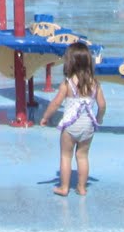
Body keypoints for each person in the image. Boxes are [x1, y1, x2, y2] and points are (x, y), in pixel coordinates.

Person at [37, 41, 105, 195]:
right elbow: (102, 105)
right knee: (82, 156)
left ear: (69, 62)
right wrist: (99, 118)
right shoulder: (95, 84)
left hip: (70, 127)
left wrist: (45, 117)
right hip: (88, 127)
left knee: (66, 156)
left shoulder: (67, 84)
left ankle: (64, 187)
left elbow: (55, 103)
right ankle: (81, 187)